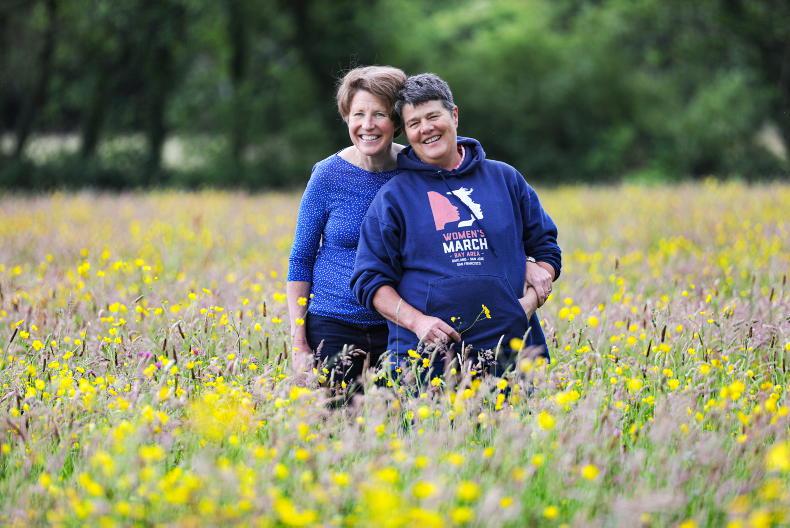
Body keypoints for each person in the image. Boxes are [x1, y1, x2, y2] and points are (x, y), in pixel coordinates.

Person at [351, 73, 560, 374]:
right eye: (414, 123)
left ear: (454, 115)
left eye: (433, 116)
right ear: (406, 133)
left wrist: (529, 302)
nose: (426, 128)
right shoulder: (393, 197)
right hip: (426, 361)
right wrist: (417, 322)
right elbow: (369, 280)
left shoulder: (505, 179)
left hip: (513, 352)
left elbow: (547, 249)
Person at [287, 65, 407, 385]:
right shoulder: (327, 175)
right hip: (332, 326)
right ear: (346, 117)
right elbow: (301, 258)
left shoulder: (415, 171)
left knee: (401, 416)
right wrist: (299, 343)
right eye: (358, 114)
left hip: (399, 328)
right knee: (336, 416)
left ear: (397, 120)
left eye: (379, 114)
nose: (367, 125)